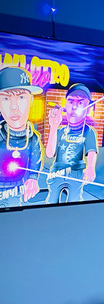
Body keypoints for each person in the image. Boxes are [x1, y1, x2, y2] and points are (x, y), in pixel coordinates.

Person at [45, 83, 98, 203]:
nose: (74, 107)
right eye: (71, 101)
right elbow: (49, 153)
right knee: (51, 200)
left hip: (76, 172)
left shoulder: (88, 131)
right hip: (57, 172)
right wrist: (53, 126)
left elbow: (91, 151)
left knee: (75, 200)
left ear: (88, 108)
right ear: (65, 105)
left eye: (80, 102)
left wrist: (90, 167)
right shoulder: (60, 131)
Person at [0, 66, 43, 209]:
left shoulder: (33, 138)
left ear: (31, 101)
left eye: (21, 97)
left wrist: (32, 179)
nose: (14, 107)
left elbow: (35, 160)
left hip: (17, 189)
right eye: (6, 98)